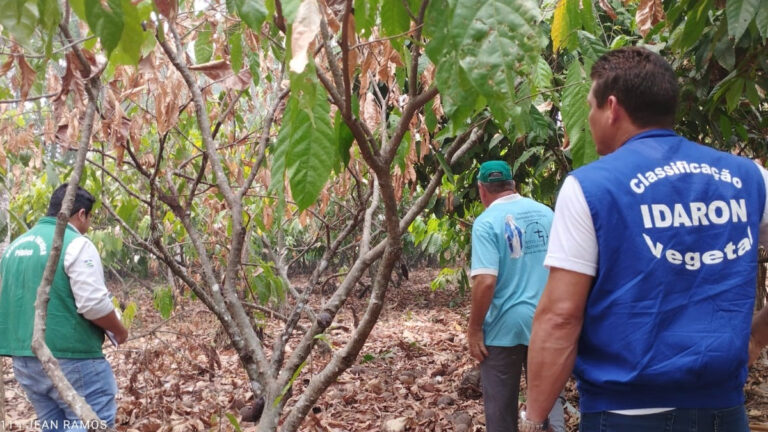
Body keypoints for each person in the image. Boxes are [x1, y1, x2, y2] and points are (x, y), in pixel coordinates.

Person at [522, 46, 768, 432]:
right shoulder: (747, 176)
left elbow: (560, 316)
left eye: (590, 107)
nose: (587, 119)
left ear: (612, 108)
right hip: (723, 412)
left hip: (624, 413)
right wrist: (757, 334)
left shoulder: (591, 186)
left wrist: (534, 419)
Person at [0, 184, 128, 431]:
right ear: (81, 214)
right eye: (89, 219)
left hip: (25, 362)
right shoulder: (76, 244)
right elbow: (93, 304)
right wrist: (120, 332)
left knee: (53, 425)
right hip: (71, 359)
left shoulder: (14, 247)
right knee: (93, 420)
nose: (88, 226)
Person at [467, 160, 564, 432]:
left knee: (500, 411)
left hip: (503, 329)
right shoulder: (546, 214)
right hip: (546, 323)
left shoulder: (486, 223)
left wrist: (474, 329)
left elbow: (485, 281)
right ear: (514, 185)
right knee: (549, 404)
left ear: (482, 190)